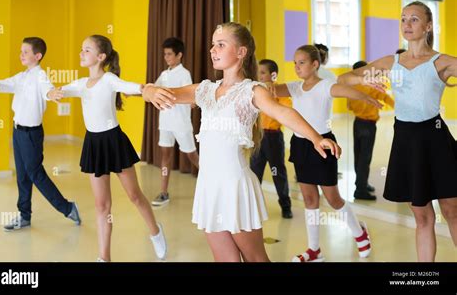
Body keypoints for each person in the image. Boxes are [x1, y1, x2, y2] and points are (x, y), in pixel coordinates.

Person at [142, 22, 341, 262]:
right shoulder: (205, 90)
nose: (213, 50)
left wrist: (316, 137)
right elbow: (166, 94)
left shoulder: (252, 91)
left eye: (221, 44)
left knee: (255, 258)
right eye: (213, 45)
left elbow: (282, 113)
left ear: (241, 52)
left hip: (234, 186)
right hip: (208, 187)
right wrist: (149, 91)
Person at [338, 1, 457, 261]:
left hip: (435, 138)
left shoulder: (442, 62)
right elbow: (343, 79)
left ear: (428, 26)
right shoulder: (391, 62)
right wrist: (363, 79)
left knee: (451, 210)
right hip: (406, 140)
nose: (407, 24)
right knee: (421, 215)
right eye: (404, 19)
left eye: (414, 19)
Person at [48, 35, 167, 262]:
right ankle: (104, 258)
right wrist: (51, 93)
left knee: (134, 196)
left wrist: (146, 89)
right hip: (93, 145)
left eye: (87, 50)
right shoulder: (81, 84)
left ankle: (156, 232)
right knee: (101, 205)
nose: (81, 53)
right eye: (82, 49)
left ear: (101, 57)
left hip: (113, 142)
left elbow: (130, 87)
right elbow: (60, 90)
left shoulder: (109, 79)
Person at [271, 45, 381, 262]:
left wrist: (367, 98)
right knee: (309, 197)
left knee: (333, 198)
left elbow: (346, 90)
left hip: (323, 145)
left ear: (315, 64)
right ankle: (314, 250)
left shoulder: (326, 86)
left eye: (301, 62)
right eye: (295, 62)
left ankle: (360, 233)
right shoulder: (295, 87)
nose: (297, 67)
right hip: (300, 145)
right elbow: (270, 91)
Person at [0, 37, 81, 232]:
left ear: (37, 56)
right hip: (17, 131)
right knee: (22, 175)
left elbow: (47, 89)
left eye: (25, 52)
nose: (21, 55)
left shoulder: (40, 76)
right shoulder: (23, 76)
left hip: (31, 135)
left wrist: (52, 94)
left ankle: (68, 207)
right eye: (21, 51)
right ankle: (24, 216)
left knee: (35, 174)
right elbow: (8, 84)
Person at [152, 37, 199, 206]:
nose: (166, 57)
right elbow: (153, 91)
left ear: (179, 55)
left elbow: (190, 96)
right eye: (164, 54)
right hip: (165, 123)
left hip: (181, 123)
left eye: (169, 54)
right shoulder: (164, 74)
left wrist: (183, 99)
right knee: (165, 156)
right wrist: (137, 91)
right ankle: (164, 192)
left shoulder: (184, 74)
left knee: (192, 156)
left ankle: (213, 184)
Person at [250, 59, 293, 219]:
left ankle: (285, 205)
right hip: (258, 137)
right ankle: (253, 207)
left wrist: (272, 93)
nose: (259, 76)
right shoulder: (254, 90)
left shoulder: (279, 91)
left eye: (263, 72)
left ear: (272, 75)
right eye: (258, 72)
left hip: (273, 138)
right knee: (254, 173)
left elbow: (285, 111)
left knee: (277, 172)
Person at [347, 60, 395, 200]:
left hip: (357, 123)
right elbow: (385, 98)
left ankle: (361, 183)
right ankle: (361, 190)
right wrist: (398, 106)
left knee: (358, 154)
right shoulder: (373, 87)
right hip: (368, 125)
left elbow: (349, 106)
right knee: (365, 158)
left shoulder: (351, 87)